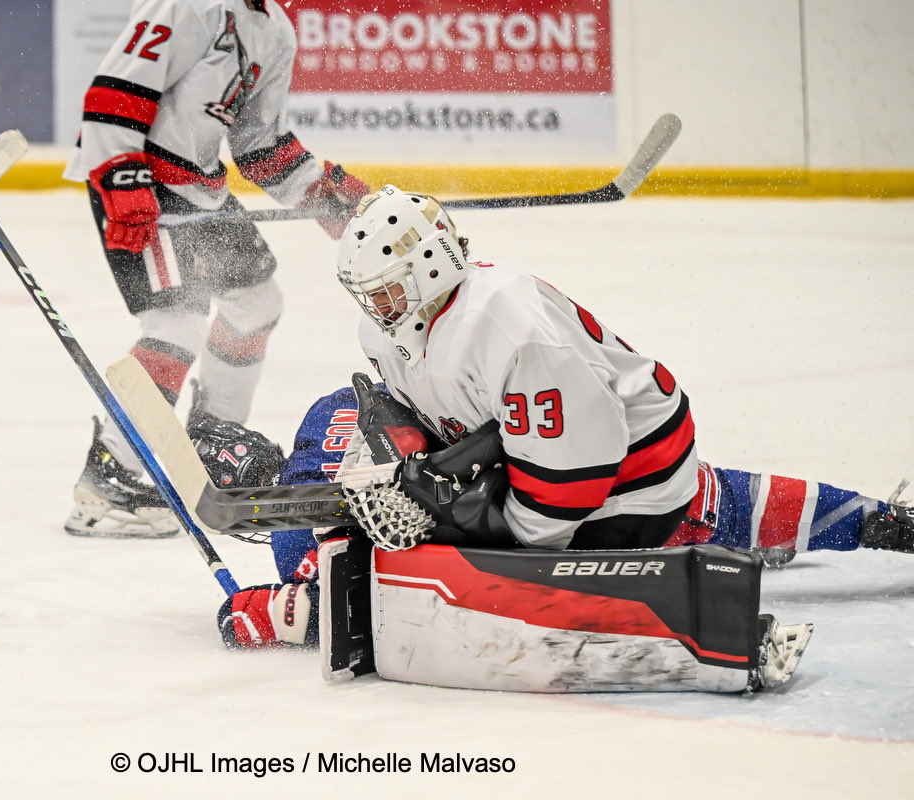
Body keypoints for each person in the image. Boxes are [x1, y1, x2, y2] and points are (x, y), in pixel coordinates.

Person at [215, 185, 914, 649]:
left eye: (388, 292)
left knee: (697, 510)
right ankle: (319, 568)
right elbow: (419, 403)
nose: (378, 309)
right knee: (341, 414)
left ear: (428, 268)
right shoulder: (406, 321)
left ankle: (315, 596)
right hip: (560, 447)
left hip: (625, 485)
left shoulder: (510, 330)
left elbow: (568, 490)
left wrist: (478, 531)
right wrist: (410, 458)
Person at [61, 0, 369, 538]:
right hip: (140, 181)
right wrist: (119, 178)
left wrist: (324, 195)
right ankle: (113, 468)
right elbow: (113, 92)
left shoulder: (275, 30)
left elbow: (259, 145)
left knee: (257, 305)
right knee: (175, 325)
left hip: (198, 186)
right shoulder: (188, 5)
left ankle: (213, 443)